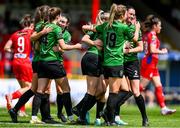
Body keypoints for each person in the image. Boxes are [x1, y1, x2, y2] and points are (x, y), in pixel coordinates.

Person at [82, 3, 140, 126]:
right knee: (114, 93)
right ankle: (109, 118)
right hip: (116, 62)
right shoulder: (123, 27)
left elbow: (89, 28)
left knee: (105, 91)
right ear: (123, 14)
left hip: (105, 63)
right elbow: (135, 39)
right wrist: (138, 29)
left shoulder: (105, 26)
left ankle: (94, 113)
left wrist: (91, 38)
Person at [32, 6, 82, 124]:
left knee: (40, 90)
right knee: (66, 89)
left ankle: (33, 117)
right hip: (53, 62)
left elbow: (35, 40)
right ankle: (70, 117)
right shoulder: (56, 29)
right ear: (58, 17)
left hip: (42, 61)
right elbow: (64, 47)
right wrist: (77, 46)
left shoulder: (44, 26)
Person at [8, 5, 53, 124]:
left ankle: (15, 109)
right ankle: (39, 116)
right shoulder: (40, 27)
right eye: (50, 13)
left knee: (33, 89)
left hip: (27, 60)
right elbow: (35, 41)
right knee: (42, 89)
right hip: (39, 60)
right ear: (46, 15)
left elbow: (8, 47)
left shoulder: (26, 30)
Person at [71, 10, 109, 125]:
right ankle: (82, 116)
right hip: (92, 57)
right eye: (106, 18)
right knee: (92, 90)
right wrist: (95, 44)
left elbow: (85, 29)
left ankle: (79, 109)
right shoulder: (100, 28)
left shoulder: (102, 28)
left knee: (102, 90)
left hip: (98, 60)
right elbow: (84, 39)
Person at [114, 6, 149, 127]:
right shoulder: (119, 27)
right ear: (124, 14)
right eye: (130, 14)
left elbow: (140, 47)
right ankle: (115, 116)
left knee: (135, 91)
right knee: (119, 90)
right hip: (119, 62)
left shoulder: (136, 29)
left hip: (132, 62)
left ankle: (145, 119)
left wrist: (128, 51)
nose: (132, 16)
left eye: (134, 15)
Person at [140, 15, 176, 115]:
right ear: (155, 25)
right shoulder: (153, 35)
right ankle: (116, 104)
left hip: (151, 63)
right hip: (149, 63)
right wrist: (162, 51)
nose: (161, 27)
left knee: (158, 86)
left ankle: (163, 108)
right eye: (159, 25)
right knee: (138, 88)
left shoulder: (149, 34)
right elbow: (152, 50)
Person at [4, 14, 34, 117]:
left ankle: (21, 110)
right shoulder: (31, 33)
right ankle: (11, 96)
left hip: (15, 61)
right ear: (31, 24)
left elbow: (6, 48)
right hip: (25, 62)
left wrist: (15, 51)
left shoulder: (15, 34)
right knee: (30, 87)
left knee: (22, 87)